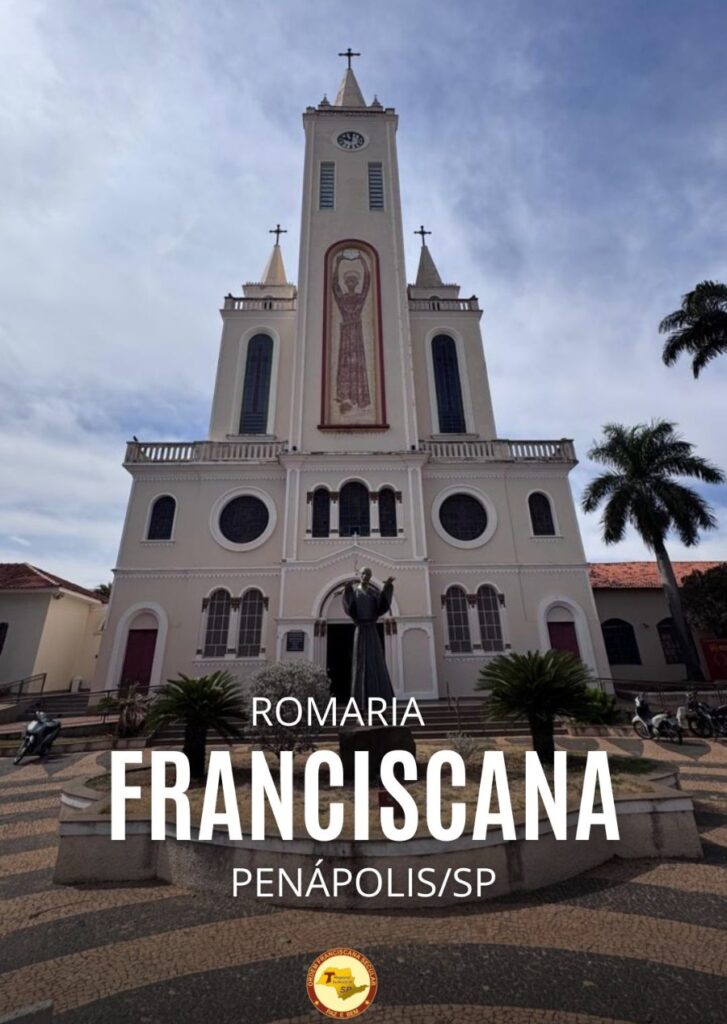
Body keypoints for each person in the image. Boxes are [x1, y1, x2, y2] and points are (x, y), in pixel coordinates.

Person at [343, 567, 395, 705]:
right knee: (359, 666)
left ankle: (380, 705)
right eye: (363, 573)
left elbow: (382, 606)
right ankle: (360, 706)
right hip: (360, 630)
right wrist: (347, 591)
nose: (365, 576)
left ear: (371, 576)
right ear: (359, 575)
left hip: (372, 630)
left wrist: (387, 587)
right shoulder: (355, 594)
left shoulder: (374, 593)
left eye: (368, 574)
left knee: (376, 664)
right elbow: (350, 609)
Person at [332, 251, 371, 414]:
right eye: (348, 280)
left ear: (356, 282)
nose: (350, 282)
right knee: (345, 363)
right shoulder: (342, 298)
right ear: (346, 283)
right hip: (346, 331)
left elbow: (367, 283)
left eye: (353, 280)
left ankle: (359, 398)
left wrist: (363, 261)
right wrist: (337, 263)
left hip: (356, 331)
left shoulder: (360, 298)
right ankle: (344, 396)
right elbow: (334, 286)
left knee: (358, 364)